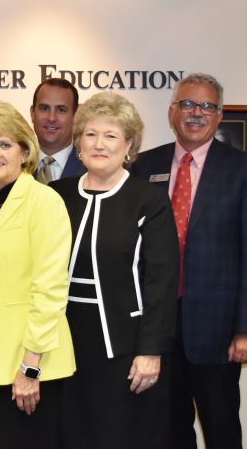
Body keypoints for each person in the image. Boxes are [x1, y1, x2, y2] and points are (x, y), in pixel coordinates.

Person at [50, 92, 178, 449]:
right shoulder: (57, 195)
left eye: (111, 136)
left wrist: (150, 351)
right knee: (68, 433)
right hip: (64, 344)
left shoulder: (148, 199)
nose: (99, 144)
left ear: (129, 145)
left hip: (125, 347)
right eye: (90, 134)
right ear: (78, 143)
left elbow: (161, 281)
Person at [131, 73, 247, 449]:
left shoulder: (241, 169)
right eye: (187, 103)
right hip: (156, 328)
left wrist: (245, 329)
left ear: (218, 116)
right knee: (166, 429)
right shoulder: (143, 166)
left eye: (206, 106)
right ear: (172, 111)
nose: (196, 112)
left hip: (217, 331)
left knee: (222, 429)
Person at [0, 100, 74, 449]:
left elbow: (50, 289)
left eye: (5, 144)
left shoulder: (44, 201)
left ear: (25, 150)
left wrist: (30, 368)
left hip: (26, 367)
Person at [30, 78, 85, 183]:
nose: (51, 118)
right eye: (44, 108)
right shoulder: (15, 165)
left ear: (76, 115)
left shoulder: (90, 167)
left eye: (61, 110)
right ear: (33, 113)